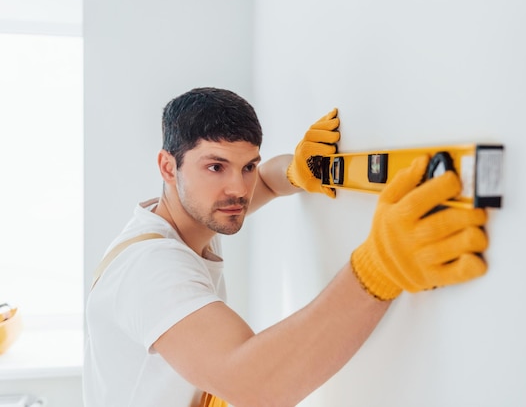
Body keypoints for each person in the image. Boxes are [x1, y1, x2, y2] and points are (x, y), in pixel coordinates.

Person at [83, 87, 489, 407]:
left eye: (248, 165)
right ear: (168, 166)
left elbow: (269, 183)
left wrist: (296, 171)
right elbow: (253, 387)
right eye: (215, 166)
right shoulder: (152, 268)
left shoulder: (183, 216)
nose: (238, 189)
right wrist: (377, 271)